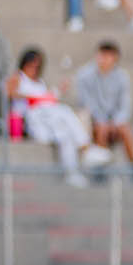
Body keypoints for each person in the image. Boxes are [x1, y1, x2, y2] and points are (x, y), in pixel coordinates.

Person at [9, 48, 101, 185]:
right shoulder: (18, 77)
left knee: (65, 135)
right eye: (31, 64)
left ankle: (72, 173)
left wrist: (58, 91)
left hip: (48, 118)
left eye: (37, 65)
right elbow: (9, 93)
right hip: (32, 119)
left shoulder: (40, 82)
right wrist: (34, 97)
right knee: (64, 111)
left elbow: (48, 99)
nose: (34, 68)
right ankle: (86, 147)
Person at [75, 40, 133, 170]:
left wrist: (116, 122)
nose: (104, 59)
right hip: (94, 121)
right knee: (101, 129)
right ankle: (101, 167)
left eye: (108, 56)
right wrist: (102, 121)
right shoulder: (84, 75)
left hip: (114, 122)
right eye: (102, 55)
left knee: (125, 130)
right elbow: (87, 104)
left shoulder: (122, 77)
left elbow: (125, 105)